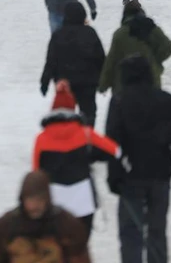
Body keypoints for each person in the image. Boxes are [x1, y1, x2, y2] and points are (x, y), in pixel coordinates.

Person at [106, 56, 171, 263]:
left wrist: (114, 177)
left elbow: (112, 144)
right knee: (157, 231)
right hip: (160, 175)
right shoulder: (165, 99)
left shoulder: (119, 101)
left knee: (131, 233)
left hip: (130, 177)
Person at [32, 81, 120, 235]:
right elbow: (115, 150)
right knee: (79, 247)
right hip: (82, 198)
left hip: (54, 199)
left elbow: (35, 171)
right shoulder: (85, 133)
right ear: (73, 109)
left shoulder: (41, 138)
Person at [0, 171, 91, 263]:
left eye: (39, 200)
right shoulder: (6, 226)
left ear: (47, 199)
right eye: (30, 200)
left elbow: (79, 258)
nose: (33, 206)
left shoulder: (67, 225)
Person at [40, 1, 106, 124]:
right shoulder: (90, 33)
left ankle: (70, 139)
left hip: (65, 83)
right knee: (88, 113)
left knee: (65, 115)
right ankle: (87, 137)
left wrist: (44, 82)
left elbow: (51, 61)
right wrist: (104, 81)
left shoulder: (58, 35)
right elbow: (100, 58)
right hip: (88, 83)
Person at [99, 1, 171, 94]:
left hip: (124, 85)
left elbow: (111, 61)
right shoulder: (152, 29)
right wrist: (155, 60)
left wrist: (103, 85)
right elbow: (168, 47)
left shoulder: (120, 34)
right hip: (150, 81)